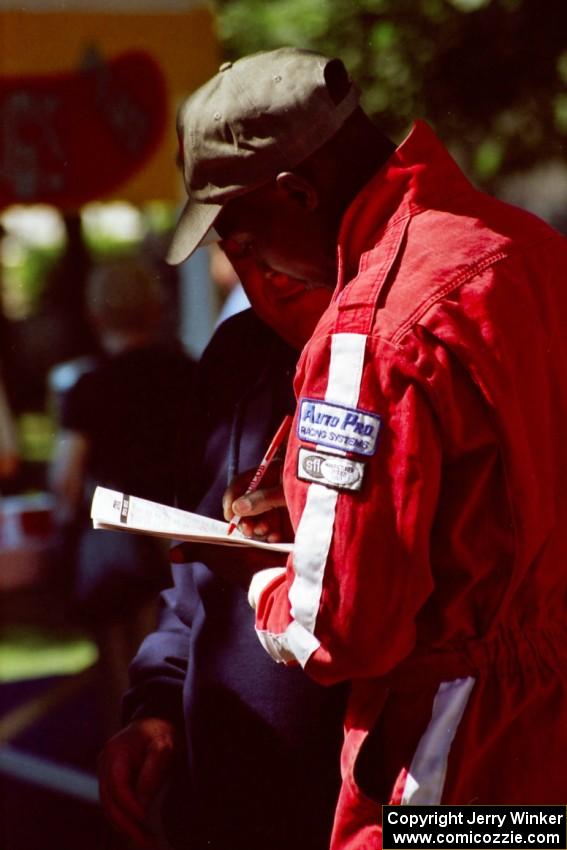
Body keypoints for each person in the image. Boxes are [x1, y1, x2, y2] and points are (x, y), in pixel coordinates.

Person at [162, 47, 567, 848]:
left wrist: (273, 583)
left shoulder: (368, 328)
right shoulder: (531, 253)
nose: (249, 267)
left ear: (297, 195)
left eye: (242, 235)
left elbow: (337, 627)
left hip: (457, 754)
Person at [98, 266, 347, 850]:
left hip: (370, 795)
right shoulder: (235, 352)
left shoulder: (405, 347)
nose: (250, 259)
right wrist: (157, 706)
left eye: (260, 227)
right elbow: (194, 582)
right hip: (223, 801)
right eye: (232, 240)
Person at [49, 257, 195, 723]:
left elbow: (65, 482)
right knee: (182, 669)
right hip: (183, 543)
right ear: (155, 309)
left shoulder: (89, 386)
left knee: (123, 684)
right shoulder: (190, 372)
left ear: (95, 316)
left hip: (117, 547)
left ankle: (129, 776)